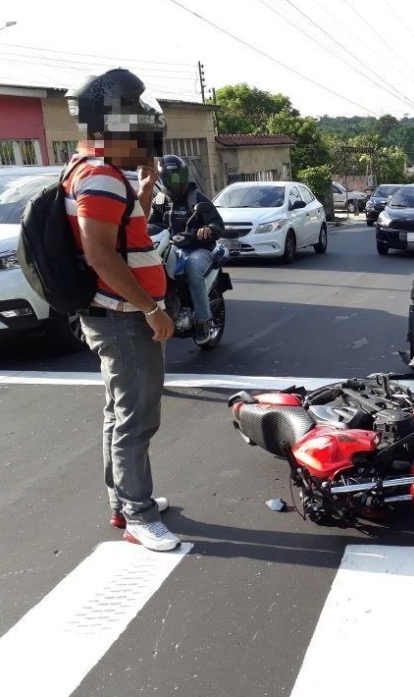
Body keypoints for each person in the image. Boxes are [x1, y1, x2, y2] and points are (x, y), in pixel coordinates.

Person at [65, 68, 180, 551]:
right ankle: (139, 513)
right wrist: (152, 308)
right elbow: (100, 254)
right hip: (123, 317)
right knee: (136, 420)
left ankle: (122, 501)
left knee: (117, 414)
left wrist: (145, 189)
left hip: (110, 314)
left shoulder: (91, 169)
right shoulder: (101, 178)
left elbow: (124, 236)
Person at [150, 154, 224, 342]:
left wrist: (208, 229)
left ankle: (203, 320)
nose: (174, 182)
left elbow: (217, 223)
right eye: (169, 177)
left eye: (177, 177)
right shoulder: (160, 200)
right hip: (172, 248)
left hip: (199, 250)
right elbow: (150, 225)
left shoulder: (196, 198)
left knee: (192, 267)